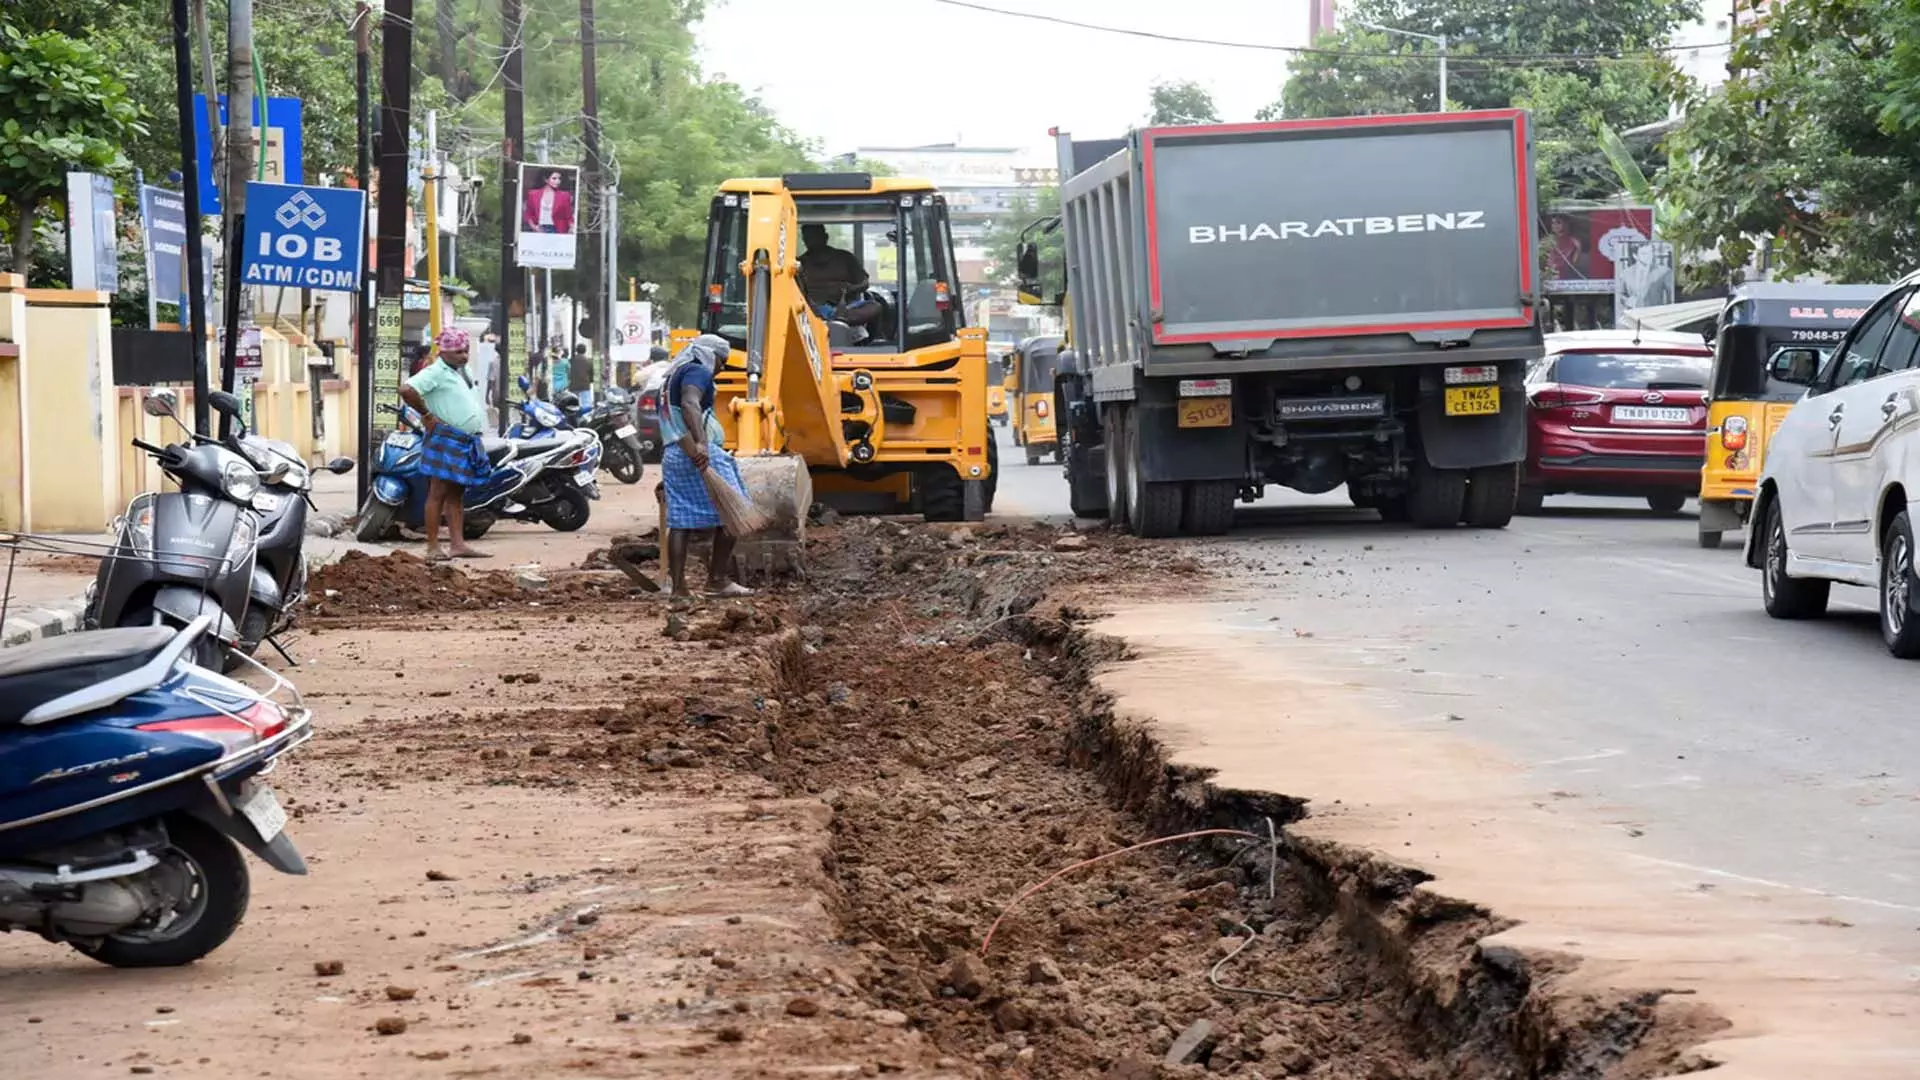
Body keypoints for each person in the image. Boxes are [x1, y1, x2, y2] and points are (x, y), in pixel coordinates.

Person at [659, 334, 753, 598]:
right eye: (722, 361)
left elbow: (673, 418)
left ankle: (679, 589)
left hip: (675, 454)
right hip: (702, 454)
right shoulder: (697, 371)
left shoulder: (670, 378)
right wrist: (701, 443)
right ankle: (717, 580)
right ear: (710, 355)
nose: (721, 368)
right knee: (734, 513)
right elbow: (690, 403)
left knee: (681, 522)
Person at [399, 327, 492, 561]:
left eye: (466, 351)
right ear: (445, 352)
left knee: (457, 493)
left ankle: (458, 544)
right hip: (445, 437)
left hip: (465, 439)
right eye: (459, 352)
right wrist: (427, 416)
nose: (464, 355)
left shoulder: (464, 371)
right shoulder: (435, 372)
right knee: (437, 492)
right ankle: (432, 546)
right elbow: (407, 390)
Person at [523, 169, 574, 234]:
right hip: (540, 229)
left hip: (558, 230)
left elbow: (568, 215)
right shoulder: (533, 194)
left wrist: (572, 228)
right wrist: (534, 227)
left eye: (559, 179)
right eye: (554, 178)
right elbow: (529, 214)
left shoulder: (564, 196)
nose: (558, 181)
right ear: (546, 180)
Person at [570, 343, 595, 410]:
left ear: (576, 350)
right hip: (584, 385)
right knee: (586, 405)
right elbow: (592, 373)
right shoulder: (588, 361)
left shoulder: (571, 360)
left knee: (573, 405)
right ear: (585, 351)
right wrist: (590, 380)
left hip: (573, 385)